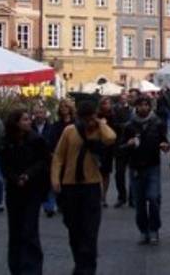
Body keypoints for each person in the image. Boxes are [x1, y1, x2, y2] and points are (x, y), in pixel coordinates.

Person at [51, 99, 116, 275]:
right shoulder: (69, 131)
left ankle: (87, 268)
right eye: (85, 118)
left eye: (91, 117)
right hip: (70, 185)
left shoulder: (98, 132)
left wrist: (100, 124)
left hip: (91, 185)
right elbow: (58, 156)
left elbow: (111, 138)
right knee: (73, 228)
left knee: (90, 229)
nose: (88, 122)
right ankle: (80, 261)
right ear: (79, 117)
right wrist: (55, 178)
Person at [0, 108, 51, 275]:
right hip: (14, 191)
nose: (29, 122)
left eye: (29, 119)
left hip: (32, 190)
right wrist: (15, 178)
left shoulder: (36, 140)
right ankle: (16, 266)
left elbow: (43, 162)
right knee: (15, 230)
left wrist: (28, 175)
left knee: (29, 230)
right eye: (25, 119)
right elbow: (4, 165)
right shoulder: (6, 141)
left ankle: (33, 269)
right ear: (16, 123)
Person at [123, 95, 170, 245]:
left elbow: (165, 141)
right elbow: (120, 149)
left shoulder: (157, 123)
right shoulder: (129, 126)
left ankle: (154, 229)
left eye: (146, 105)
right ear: (136, 107)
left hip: (152, 166)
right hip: (135, 167)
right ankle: (144, 231)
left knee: (154, 198)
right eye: (141, 105)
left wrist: (165, 146)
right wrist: (127, 144)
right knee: (140, 202)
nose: (144, 107)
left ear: (150, 107)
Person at [31, 102, 58, 217]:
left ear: (45, 114)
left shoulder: (52, 128)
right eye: (36, 113)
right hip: (34, 160)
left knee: (49, 183)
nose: (39, 115)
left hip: (48, 159)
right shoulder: (30, 128)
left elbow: (55, 142)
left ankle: (49, 206)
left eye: (41, 113)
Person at [111, 91, 137, 208]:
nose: (125, 100)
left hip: (132, 145)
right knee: (119, 173)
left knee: (133, 173)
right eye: (123, 98)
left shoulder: (135, 110)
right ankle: (122, 196)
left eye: (127, 98)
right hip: (120, 144)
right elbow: (113, 124)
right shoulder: (115, 110)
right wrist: (124, 125)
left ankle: (133, 197)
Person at [97, 97, 117, 207]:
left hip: (109, 148)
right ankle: (99, 195)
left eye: (108, 103)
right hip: (98, 148)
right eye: (104, 103)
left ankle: (104, 196)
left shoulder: (113, 117)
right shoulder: (96, 117)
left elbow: (116, 131)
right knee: (97, 172)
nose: (106, 105)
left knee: (106, 173)